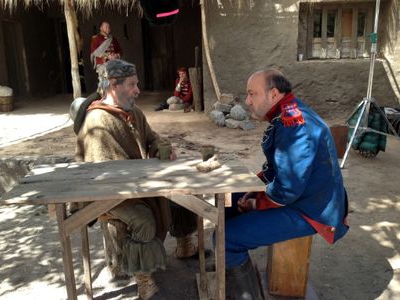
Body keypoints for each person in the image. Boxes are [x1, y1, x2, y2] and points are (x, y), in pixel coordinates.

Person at [71, 59, 198, 300]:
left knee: (183, 194)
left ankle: (185, 244)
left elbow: (152, 138)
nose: (138, 91)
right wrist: (151, 178)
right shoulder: (96, 122)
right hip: (111, 196)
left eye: (137, 84)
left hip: (140, 184)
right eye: (132, 85)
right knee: (143, 220)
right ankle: (144, 280)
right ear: (113, 86)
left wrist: (162, 147)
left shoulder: (133, 112)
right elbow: (107, 176)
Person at [224, 69, 349, 299]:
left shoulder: (295, 125)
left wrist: (256, 204)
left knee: (224, 238)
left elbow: (286, 191)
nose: (248, 101)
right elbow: (278, 167)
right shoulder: (287, 112)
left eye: (252, 94)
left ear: (273, 94)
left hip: (311, 210)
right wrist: (256, 186)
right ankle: (233, 267)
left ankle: (245, 292)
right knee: (228, 202)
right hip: (304, 197)